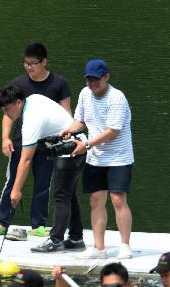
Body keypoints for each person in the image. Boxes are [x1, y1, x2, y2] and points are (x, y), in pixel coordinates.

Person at [0, 43, 83, 245]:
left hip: (56, 143)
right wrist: (5, 138)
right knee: (14, 181)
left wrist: (17, 192)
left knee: (48, 185)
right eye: (26, 63)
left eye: (33, 63)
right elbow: (9, 117)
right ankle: (3, 222)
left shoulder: (56, 85)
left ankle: (43, 229)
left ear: (44, 62)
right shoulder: (21, 90)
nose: (29, 67)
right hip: (27, 141)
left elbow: (26, 160)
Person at [0, 85, 86, 254]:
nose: (6, 114)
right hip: (75, 145)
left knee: (61, 195)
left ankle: (56, 240)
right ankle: (76, 238)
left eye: (7, 109)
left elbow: (26, 159)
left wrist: (16, 190)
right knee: (68, 194)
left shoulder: (31, 120)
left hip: (72, 148)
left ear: (19, 103)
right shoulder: (33, 98)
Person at [66, 59, 134, 260]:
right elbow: (80, 120)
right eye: (88, 80)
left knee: (118, 200)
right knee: (96, 200)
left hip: (118, 157)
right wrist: (68, 130)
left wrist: (86, 145)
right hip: (96, 158)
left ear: (106, 77)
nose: (92, 84)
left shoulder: (116, 98)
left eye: (96, 80)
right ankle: (99, 248)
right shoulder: (85, 94)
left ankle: (124, 245)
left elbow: (112, 131)